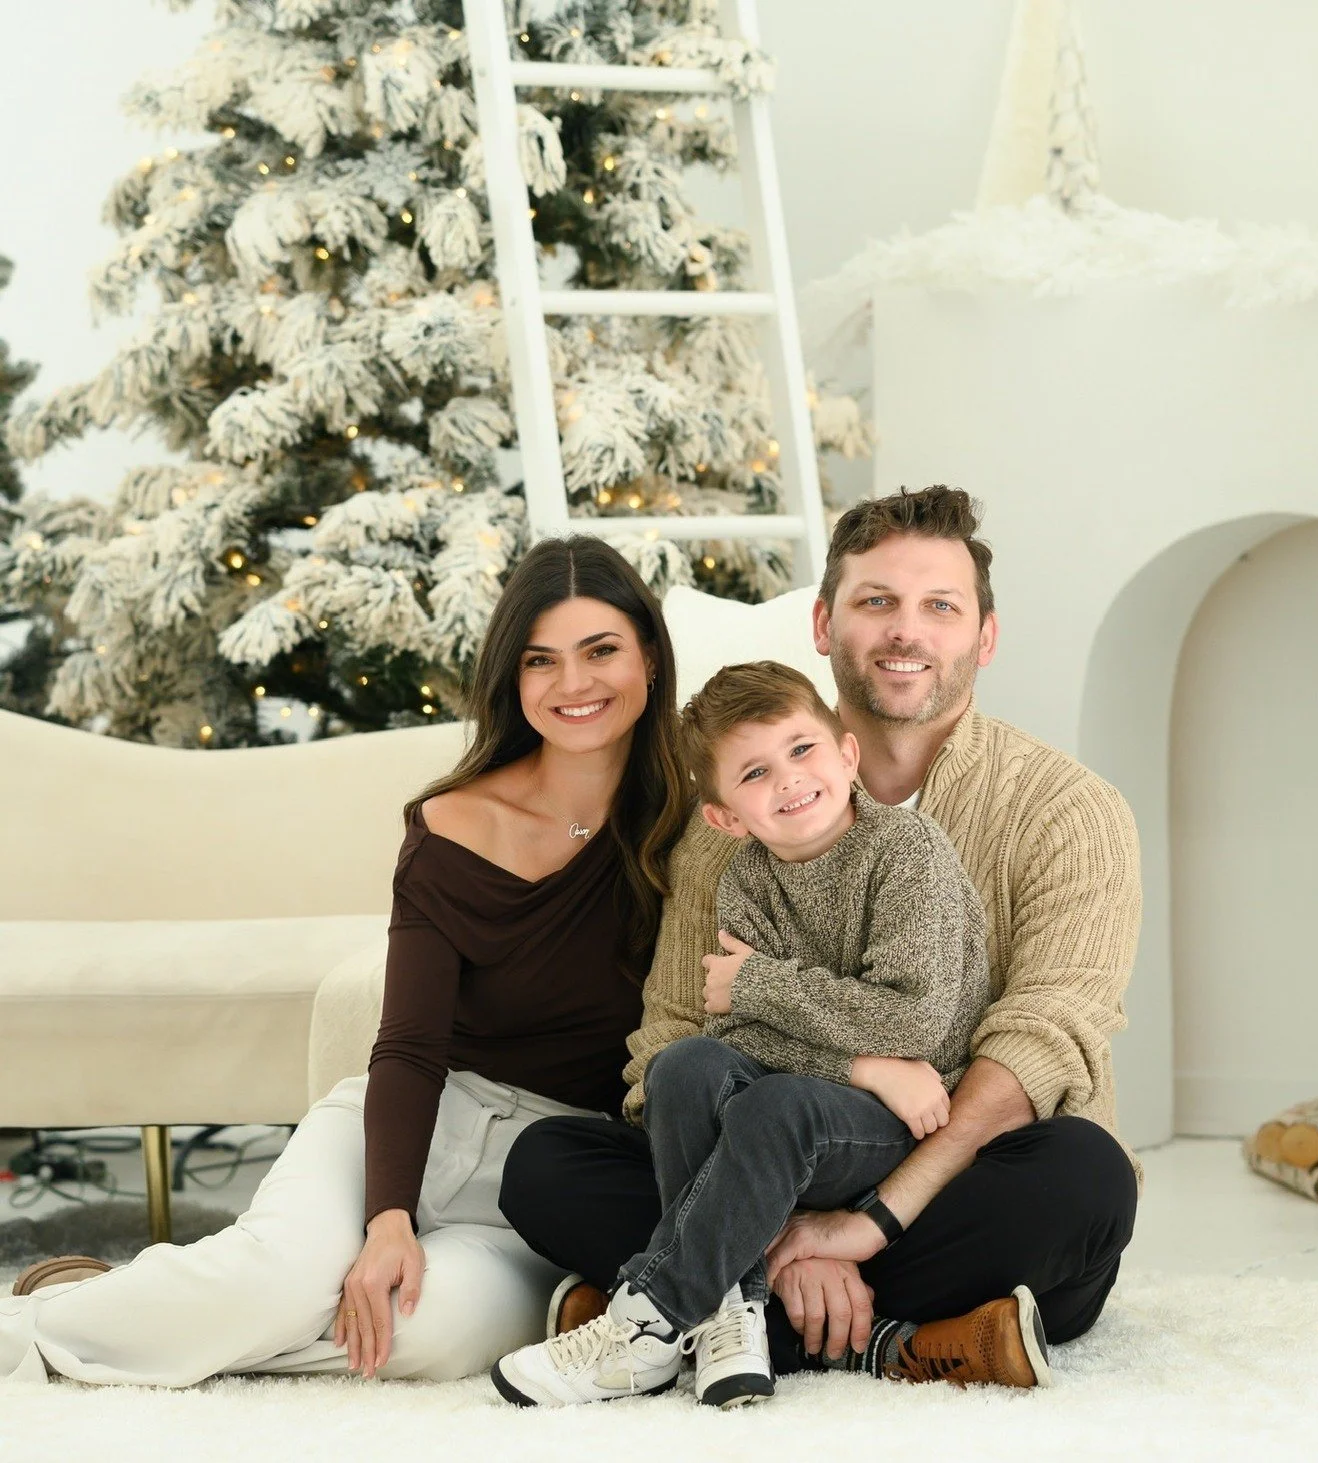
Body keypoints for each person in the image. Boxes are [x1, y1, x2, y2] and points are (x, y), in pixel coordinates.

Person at [0, 535, 690, 1388]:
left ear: (650, 658)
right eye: (540, 659)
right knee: (274, 1278)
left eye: (601, 651)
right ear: (512, 678)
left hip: (549, 1180)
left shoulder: (696, 828)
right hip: (411, 1127)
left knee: (425, 1338)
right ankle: (37, 1328)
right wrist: (387, 1214)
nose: (573, 684)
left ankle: (144, 1308)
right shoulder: (453, 823)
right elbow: (407, 1045)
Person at [500, 485, 1144, 1390]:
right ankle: (904, 1336)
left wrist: (864, 1224)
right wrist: (775, 1216)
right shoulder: (725, 835)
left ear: (983, 637)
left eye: (939, 607)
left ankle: (680, 1300)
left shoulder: (1069, 811)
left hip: (946, 1184)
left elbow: (1040, 1042)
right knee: (546, 1166)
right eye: (875, 601)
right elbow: (675, 1034)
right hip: (757, 1159)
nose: (903, 632)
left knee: (1084, 1180)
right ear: (822, 621)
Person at [491, 661, 1004, 1409]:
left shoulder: (905, 849)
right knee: (684, 1067)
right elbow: (736, 1035)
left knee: (773, 1106)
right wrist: (861, 1063)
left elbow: (914, 1020)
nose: (790, 780)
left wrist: (761, 982)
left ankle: (650, 1319)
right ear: (726, 816)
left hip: (905, 1120)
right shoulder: (745, 881)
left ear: (846, 754)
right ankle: (733, 1312)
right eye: (755, 773)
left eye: (802, 750)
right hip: (830, 1106)